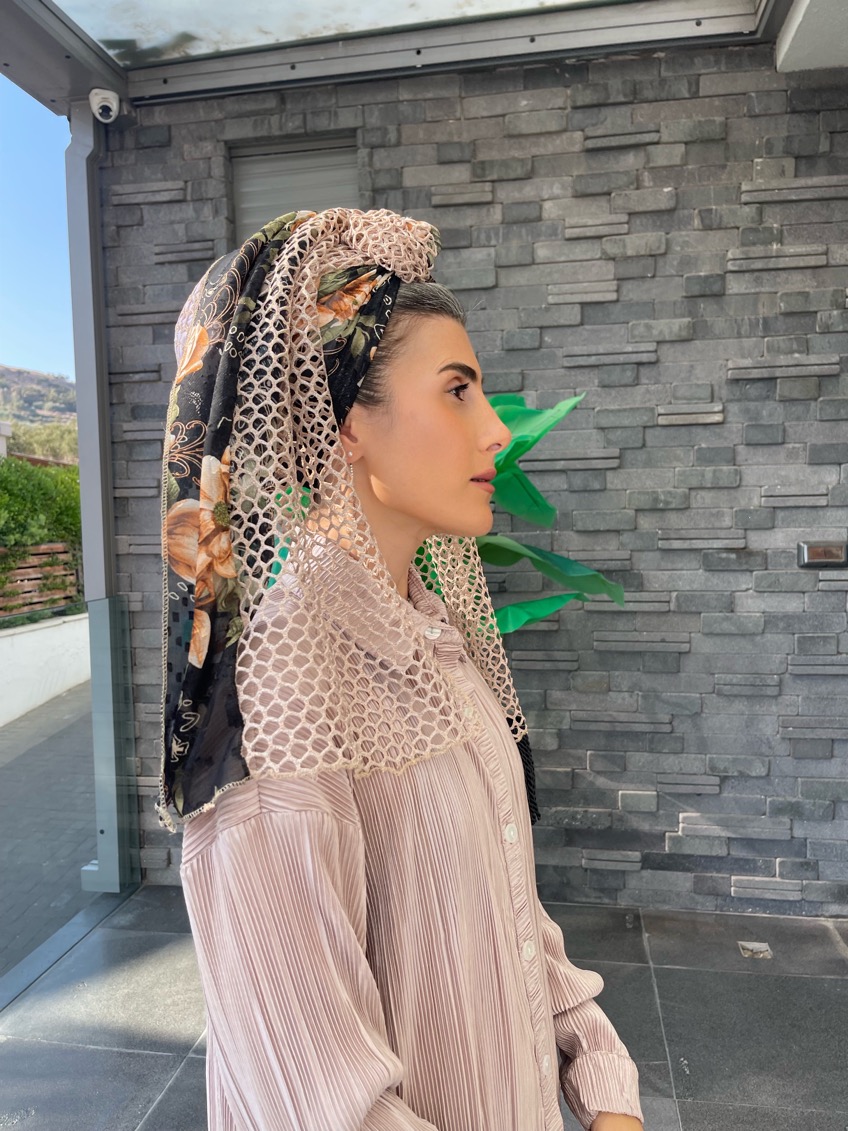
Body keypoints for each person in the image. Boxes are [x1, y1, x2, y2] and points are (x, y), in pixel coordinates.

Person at [160, 207, 644, 1131]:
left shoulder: (436, 636)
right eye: (458, 391)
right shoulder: (282, 687)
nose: (496, 432)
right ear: (345, 422)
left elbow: (512, 914)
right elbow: (316, 1097)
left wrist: (604, 1086)